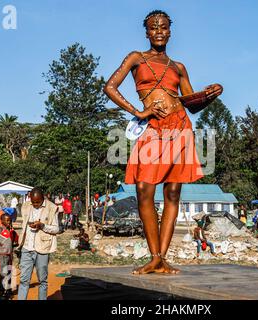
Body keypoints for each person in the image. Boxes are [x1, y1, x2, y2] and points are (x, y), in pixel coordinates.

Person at [103, 10, 223, 275]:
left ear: (170, 31)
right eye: (153, 27)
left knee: (172, 193)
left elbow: (192, 105)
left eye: (164, 27)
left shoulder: (179, 67)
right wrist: (138, 112)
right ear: (147, 32)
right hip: (152, 129)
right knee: (144, 190)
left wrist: (210, 95)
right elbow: (110, 87)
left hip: (179, 127)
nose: (159, 31)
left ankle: (162, 258)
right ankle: (154, 255)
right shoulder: (136, 57)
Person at [17, 187, 59, 300]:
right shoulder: (26, 206)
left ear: (43, 198)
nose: (35, 204)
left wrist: (42, 226)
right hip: (27, 247)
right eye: (33, 202)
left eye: (38, 202)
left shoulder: (52, 208)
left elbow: (56, 229)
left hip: (42, 248)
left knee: (42, 281)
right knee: (24, 280)